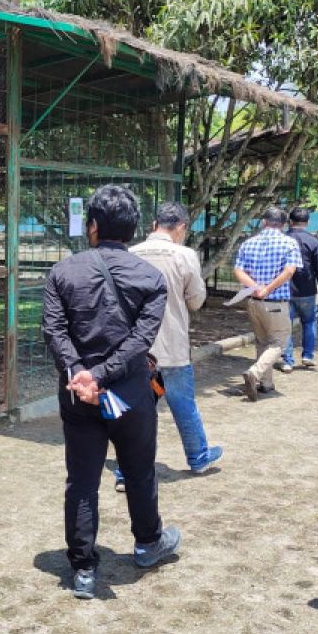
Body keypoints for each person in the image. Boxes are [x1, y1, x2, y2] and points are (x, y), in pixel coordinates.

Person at [42, 185, 181, 600]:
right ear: (134, 228)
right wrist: (102, 376)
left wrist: (81, 374)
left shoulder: (62, 273)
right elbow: (141, 339)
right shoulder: (151, 279)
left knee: (82, 480)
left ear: (93, 226)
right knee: (139, 470)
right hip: (131, 394)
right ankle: (147, 543)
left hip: (77, 394)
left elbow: (54, 331)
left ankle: (83, 567)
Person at [123, 201, 224, 477]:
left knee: (135, 411)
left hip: (137, 348)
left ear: (154, 225)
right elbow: (196, 301)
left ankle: (125, 471)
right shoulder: (184, 255)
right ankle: (198, 457)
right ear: (180, 227)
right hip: (172, 345)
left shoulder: (130, 253)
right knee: (183, 404)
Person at [232, 207, 303, 401]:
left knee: (262, 342)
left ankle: (266, 383)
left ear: (264, 222)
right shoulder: (289, 243)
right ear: (283, 224)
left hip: (253, 301)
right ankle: (255, 373)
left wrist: (255, 287)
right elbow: (289, 271)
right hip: (276, 302)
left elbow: (238, 271)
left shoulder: (248, 243)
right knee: (279, 343)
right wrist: (268, 289)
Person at [282, 207, 318, 371]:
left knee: (285, 325)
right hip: (307, 290)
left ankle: (287, 360)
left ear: (290, 221)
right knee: (309, 322)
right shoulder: (313, 241)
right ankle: (308, 355)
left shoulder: (282, 239)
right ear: (307, 223)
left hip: (284, 289)